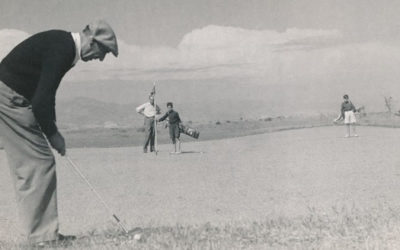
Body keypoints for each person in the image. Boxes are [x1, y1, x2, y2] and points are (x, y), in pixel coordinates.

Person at [0, 20, 118, 247]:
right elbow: (41, 101)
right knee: (38, 162)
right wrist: (54, 135)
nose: (101, 58)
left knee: (33, 162)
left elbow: (47, 93)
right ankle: (43, 238)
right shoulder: (62, 49)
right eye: (102, 51)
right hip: (9, 98)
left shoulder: (63, 44)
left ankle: (42, 235)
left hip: (11, 96)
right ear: (91, 40)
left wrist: (51, 126)